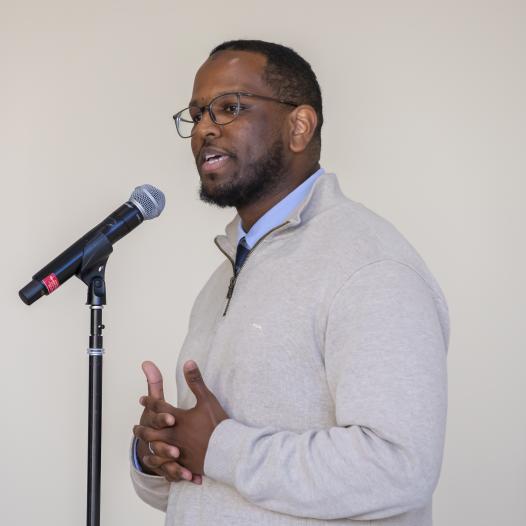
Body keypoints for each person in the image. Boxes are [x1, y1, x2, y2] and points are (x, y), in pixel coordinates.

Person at [130, 39, 450, 526]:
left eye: (229, 107)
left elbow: (398, 468)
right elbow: (211, 486)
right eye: (196, 114)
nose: (205, 129)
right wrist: (160, 454)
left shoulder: (370, 266)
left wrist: (219, 446)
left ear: (299, 126)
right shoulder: (225, 274)